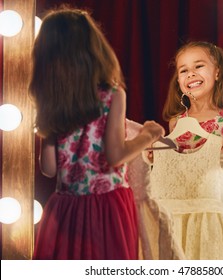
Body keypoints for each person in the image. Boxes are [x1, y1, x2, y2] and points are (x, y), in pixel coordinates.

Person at [29, 7, 164, 260]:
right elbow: (115, 155)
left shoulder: (50, 103)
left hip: (64, 209)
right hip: (106, 208)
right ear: (93, 49)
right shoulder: (112, 95)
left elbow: (48, 168)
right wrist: (148, 135)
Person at [141, 41, 223, 259]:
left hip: (215, 208)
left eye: (198, 66)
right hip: (176, 214)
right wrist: (154, 155)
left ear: (217, 72)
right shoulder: (175, 123)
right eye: (184, 70)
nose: (190, 74)